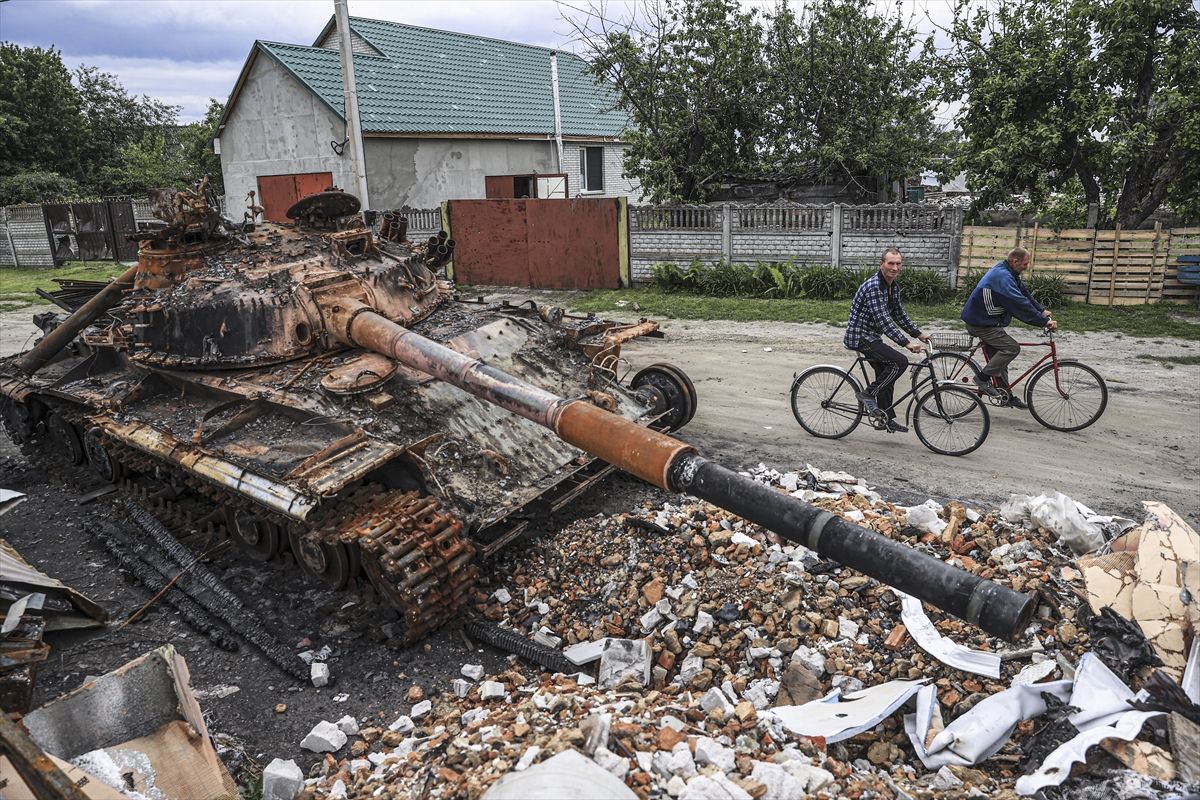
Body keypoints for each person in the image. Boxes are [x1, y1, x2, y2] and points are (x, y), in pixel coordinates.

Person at [844, 248, 930, 433]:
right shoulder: (875, 286)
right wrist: (906, 343)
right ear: (881, 264)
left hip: (872, 337)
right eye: (890, 263)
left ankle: (885, 418)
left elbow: (899, 314)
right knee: (900, 362)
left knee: (887, 374)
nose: (894, 267)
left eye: (898, 263)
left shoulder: (892, 286)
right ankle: (868, 394)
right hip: (860, 337)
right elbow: (883, 320)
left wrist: (918, 334)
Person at [960, 247, 1057, 408]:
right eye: (1025, 264)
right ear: (1015, 261)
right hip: (980, 323)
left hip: (987, 321)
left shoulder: (1009, 272)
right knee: (1011, 348)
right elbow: (1018, 303)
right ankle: (981, 379)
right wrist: (1042, 321)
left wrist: (1040, 310)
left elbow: (1024, 294)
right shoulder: (1002, 277)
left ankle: (1005, 395)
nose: (1027, 267)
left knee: (1000, 359)